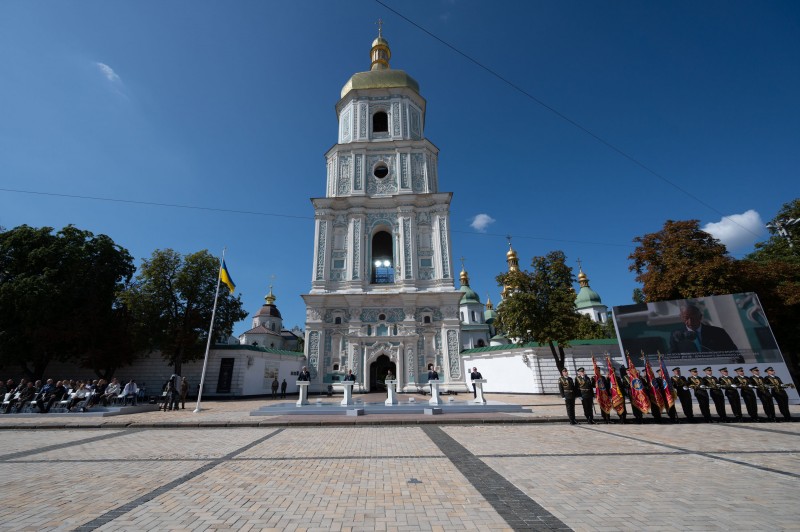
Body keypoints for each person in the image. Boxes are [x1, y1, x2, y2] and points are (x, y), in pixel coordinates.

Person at [670, 304, 738, 354]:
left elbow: (735, 353)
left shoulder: (718, 332)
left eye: (693, 318)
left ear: (700, 317)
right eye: (686, 318)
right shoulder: (677, 336)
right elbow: (673, 357)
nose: (690, 321)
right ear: (681, 318)